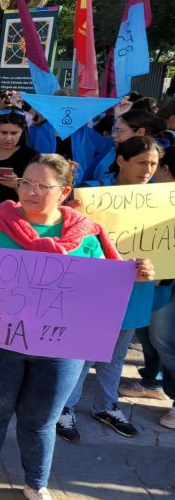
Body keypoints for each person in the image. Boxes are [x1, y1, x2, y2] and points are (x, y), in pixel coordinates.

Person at [0, 153, 152, 500]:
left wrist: (133, 272)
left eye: (42, 186)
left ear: (65, 191)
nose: (30, 192)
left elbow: (105, 285)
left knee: (41, 420)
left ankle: (36, 485)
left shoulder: (86, 234)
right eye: (25, 183)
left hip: (61, 348)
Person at [59, 136, 164, 441]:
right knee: (84, 352)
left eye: (154, 164)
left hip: (138, 286)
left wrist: (162, 270)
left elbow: (164, 245)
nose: (147, 169)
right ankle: (65, 408)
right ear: (121, 160)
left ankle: (106, 405)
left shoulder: (161, 199)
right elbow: (71, 236)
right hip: (96, 287)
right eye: (141, 162)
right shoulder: (92, 193)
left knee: (116, 353)